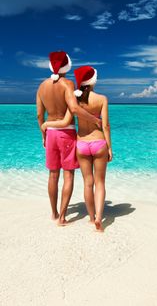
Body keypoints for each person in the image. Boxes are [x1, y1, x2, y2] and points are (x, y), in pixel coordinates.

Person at [41, 66, 112, 232]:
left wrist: (46, 124)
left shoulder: (74, 100)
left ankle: (91, 217)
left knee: (88, 183)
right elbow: (106, 126)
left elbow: (65, 121)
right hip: (99, 143)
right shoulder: (102, 99)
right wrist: (109, 147)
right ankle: (99, 218)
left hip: (81, 145)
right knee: (99, 183)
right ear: (93, 81)